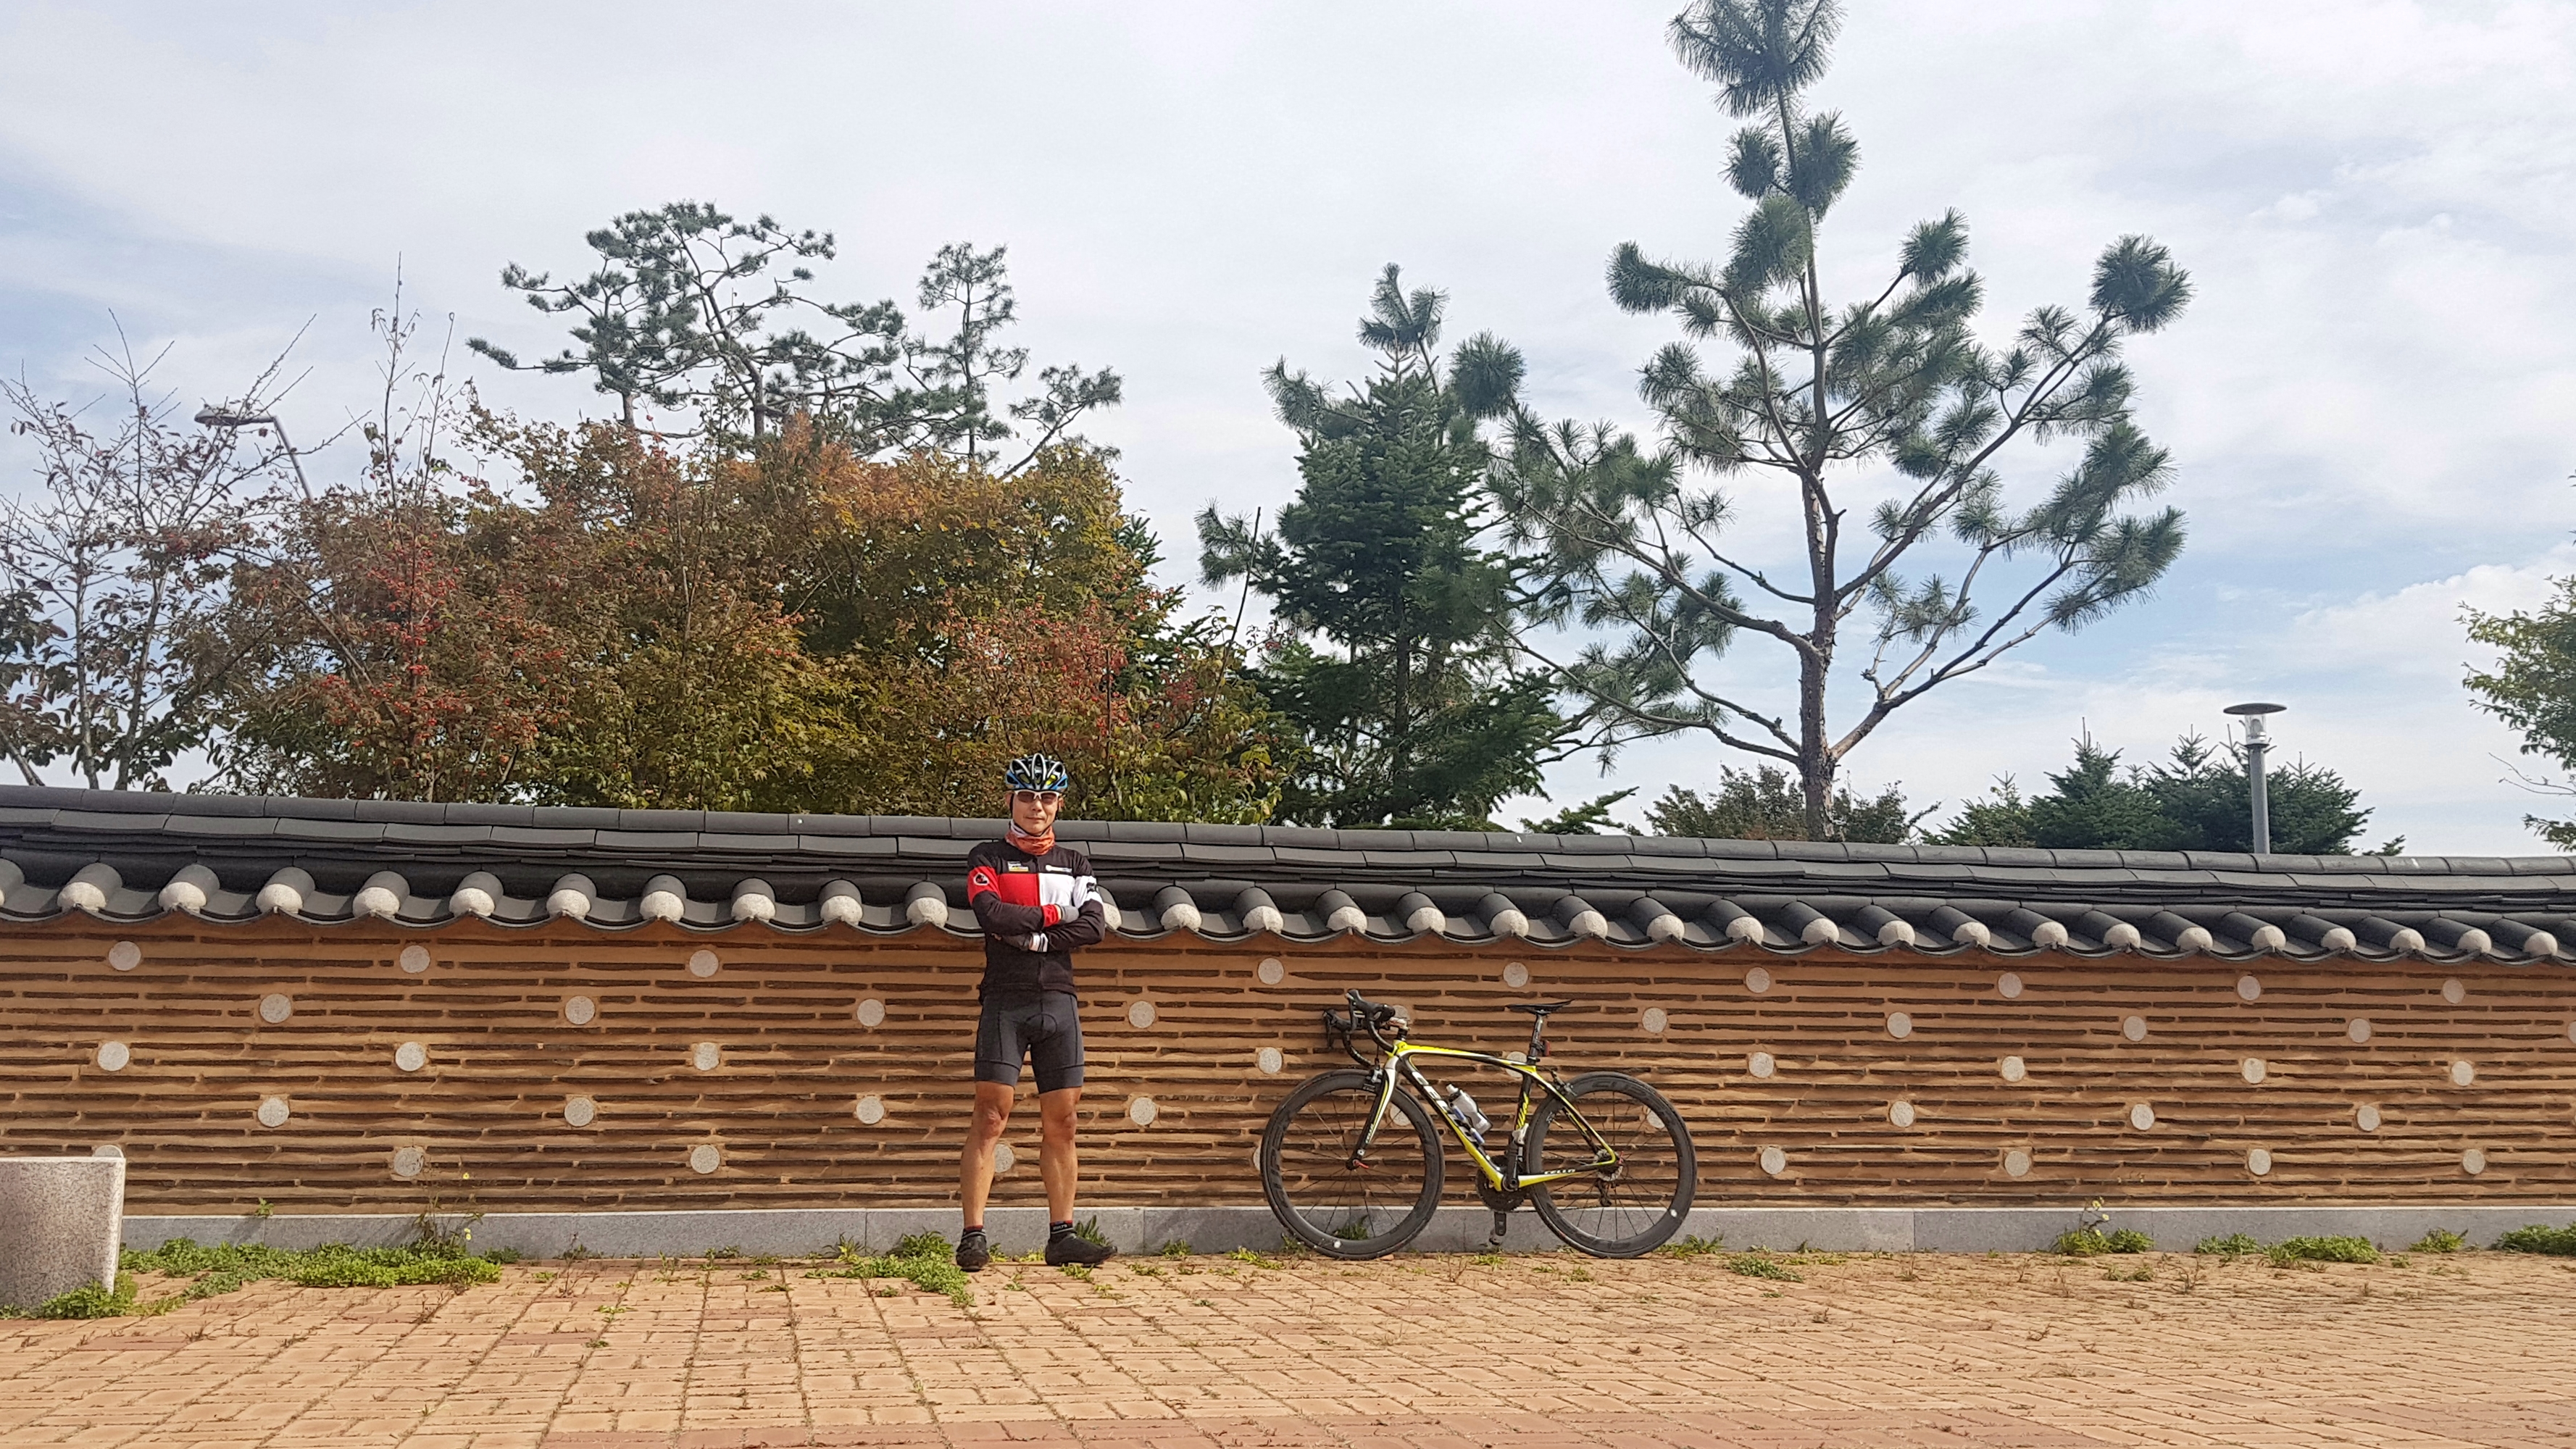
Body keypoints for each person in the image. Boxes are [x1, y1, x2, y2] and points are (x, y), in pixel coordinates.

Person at [954, 753, 1114, 1271]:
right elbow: (990, 914)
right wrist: (1054, 915)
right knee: (990, 1117)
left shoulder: (1076, 863)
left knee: (1063, 1122)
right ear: (1010, 800)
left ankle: (1062, 1236)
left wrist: (1035, 939)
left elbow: (1093, 926)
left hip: (1059, 1000)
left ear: (1059, 803)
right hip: (1005, 998)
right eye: (1027, 796)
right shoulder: (987, 856)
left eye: (1047, 797)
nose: (1037, 806)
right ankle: (973, 1236)